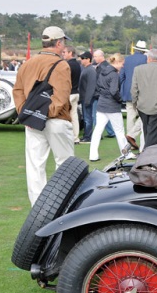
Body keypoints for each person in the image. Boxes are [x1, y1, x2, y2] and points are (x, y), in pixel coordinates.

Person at [12, 26, 74, 205]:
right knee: (65, 164)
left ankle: (37, 207)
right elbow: (61, 96)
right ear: (59, 43)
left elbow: (17, 91)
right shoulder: (61, 64)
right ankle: (62, 204)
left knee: (35, 165)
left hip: (33, 120)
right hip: (56, 120)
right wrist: (46, 113)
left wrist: (28, 112)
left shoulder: (28, 63)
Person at [89, 52, 129, 161]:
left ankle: (93, 155)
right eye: (122, 64)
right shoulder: (114, 74)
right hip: (112, 106)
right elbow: (114, 91)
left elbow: (99, 87)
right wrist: (120, 100)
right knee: (119, 130)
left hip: (102, 104)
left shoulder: (102, 71)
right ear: (118, 62)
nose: (122, 66)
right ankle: (125, 153)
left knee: (97, 130)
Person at [131, 49, 157, 149]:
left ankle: (147, 154)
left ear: (149, 58)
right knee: (153, 136)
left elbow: (134, 89)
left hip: (142, 106)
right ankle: (147, 155)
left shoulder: (138, 69)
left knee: (147, 133)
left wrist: (135, 104)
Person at [120, 40, 148, 147]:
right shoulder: (145, 59)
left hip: (128, 91)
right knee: (145, 115)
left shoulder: (127, 59)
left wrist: (124, 87)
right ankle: (132, 135)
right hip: (141, 92)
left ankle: (129, 141)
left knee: (130, 116)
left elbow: (122, 76)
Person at [61, 45, 82, 143]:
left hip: (68, 93)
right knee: (74, 116)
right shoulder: (78, 64)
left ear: (70, 53)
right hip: (76, 93)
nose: (63, 54)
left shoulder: (67, 65)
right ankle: (75, 138)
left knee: (64, 116)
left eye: (64, 52)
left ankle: (66, 137)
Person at [77, 51, 95, 143]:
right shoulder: (86, 69)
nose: (81, 60)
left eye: (83, 58)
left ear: (88, 59)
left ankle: (88, 136)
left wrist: (88, 99)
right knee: (86, 117)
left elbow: (91, 86)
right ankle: (86, 135)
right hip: (84, 97)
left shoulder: (91, 70)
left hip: (87, 98)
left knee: (88, 118)